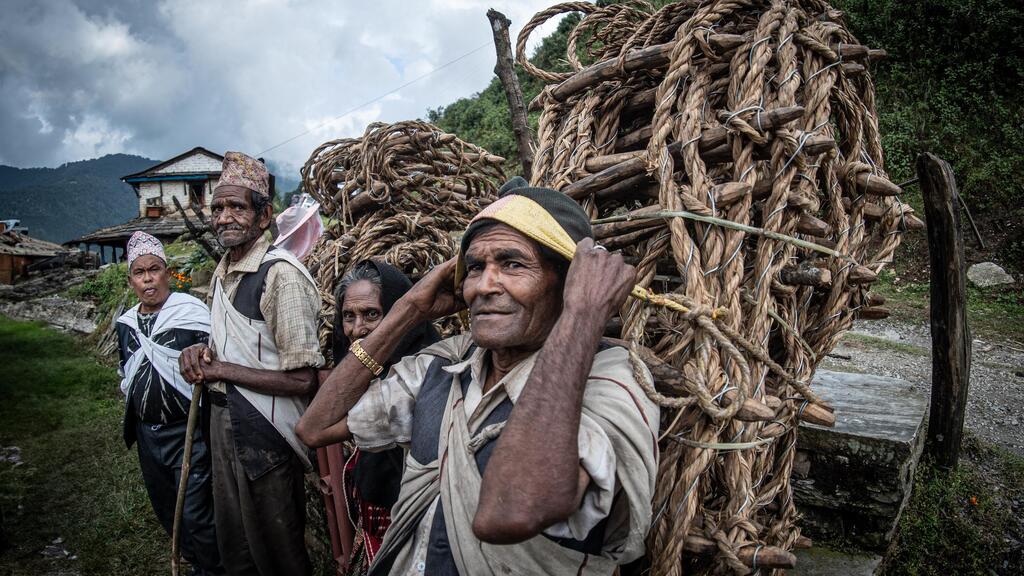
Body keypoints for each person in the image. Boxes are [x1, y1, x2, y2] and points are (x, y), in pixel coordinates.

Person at [297, 177, 661, 575]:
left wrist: (582, 314)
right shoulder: (449, 365)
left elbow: (509, 512)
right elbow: (317, 427)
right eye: (474, 267)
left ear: (568, 283)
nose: (484, 286)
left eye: (512, 264)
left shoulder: (611, 380)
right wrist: (410, 308)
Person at [179, 151, 323, 576]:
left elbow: (303, 379)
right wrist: (203, 354)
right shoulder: (225, 272)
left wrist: (220, 371)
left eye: (237, 206)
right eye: (218, 208)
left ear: (264, 217)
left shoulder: (280, 276)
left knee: (278, 547)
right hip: (225, 424)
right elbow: (235, 344)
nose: (224, 217)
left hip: (267, 430)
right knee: (236, 538)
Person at [318, 259, 441, 572]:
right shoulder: (357, 375)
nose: (358, 329)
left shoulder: (428, 369)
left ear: (399, 314)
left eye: (372, 314)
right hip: (375, 513)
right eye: (349, 316)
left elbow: (314, 429)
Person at [115, 231, 223, 576]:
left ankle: (213, 568)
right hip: (148, 434)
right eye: (139, 272)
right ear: (131, 279)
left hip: (188, 432)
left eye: (155, 269)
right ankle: (193, 561)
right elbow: (127, 371)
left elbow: (215, 359)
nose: (148, 279)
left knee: (195, 509)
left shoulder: (191, 313)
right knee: (165, 505)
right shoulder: (127, 325)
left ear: (167, 272)